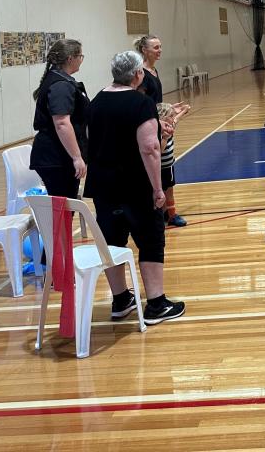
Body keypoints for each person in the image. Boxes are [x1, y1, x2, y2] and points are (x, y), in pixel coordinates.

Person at [84, 51, 186, 324]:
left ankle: (121, 300)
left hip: (104, 186)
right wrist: (157, 189)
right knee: (150, 240)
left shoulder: (96, 101)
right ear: (138, 74)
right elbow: (150, 148)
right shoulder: (141, 103)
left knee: (113, 242)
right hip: (135, 185)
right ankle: (156, 304)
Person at [135, 34, 187, 228]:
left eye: (160, 46)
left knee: (168, 174)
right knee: (156, 173)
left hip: (163, 126)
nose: (160, 50)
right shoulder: (140, 74)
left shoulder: (154, 71)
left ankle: (170, 214)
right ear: (144, 50)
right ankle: (156, 214)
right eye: (156, 47)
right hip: (152, 130)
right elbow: (140, 105)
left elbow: (155, 103)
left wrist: (169, 108)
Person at [30, 39, 89, 200]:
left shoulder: (61, 80)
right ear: (70, 58)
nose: (81, 60)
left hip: (59, 155)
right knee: (62, 209)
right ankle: (58, 227)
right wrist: (76, 157)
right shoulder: (60, 85)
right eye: (81, 56)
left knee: (65, 208)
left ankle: (61, 227)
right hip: (57, 158)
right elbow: (62, 123)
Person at [157, 102, 191, 224]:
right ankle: (159, 215)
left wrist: (184, 110)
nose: (173, 119)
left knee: (169, 191)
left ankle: (172, 215)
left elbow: (177, 119)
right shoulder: (157, 132)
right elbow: (158, 151)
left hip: (169, 166)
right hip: (157, 169)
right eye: (170, 116)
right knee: (159, 191)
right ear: (161, 118)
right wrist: (165, 138)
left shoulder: (170, 125)